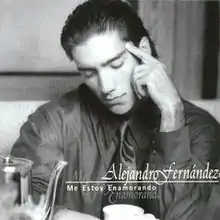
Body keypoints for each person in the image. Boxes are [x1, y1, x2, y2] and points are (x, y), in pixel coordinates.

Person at [9, 0, 220, 220]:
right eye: (89, 73)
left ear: (143, 51)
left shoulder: (200, 131)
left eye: (116, 64)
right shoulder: (51, 122)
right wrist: (55, 215)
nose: (106, 86)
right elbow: (20, 204)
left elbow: (184, 216)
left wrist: (172, 116)